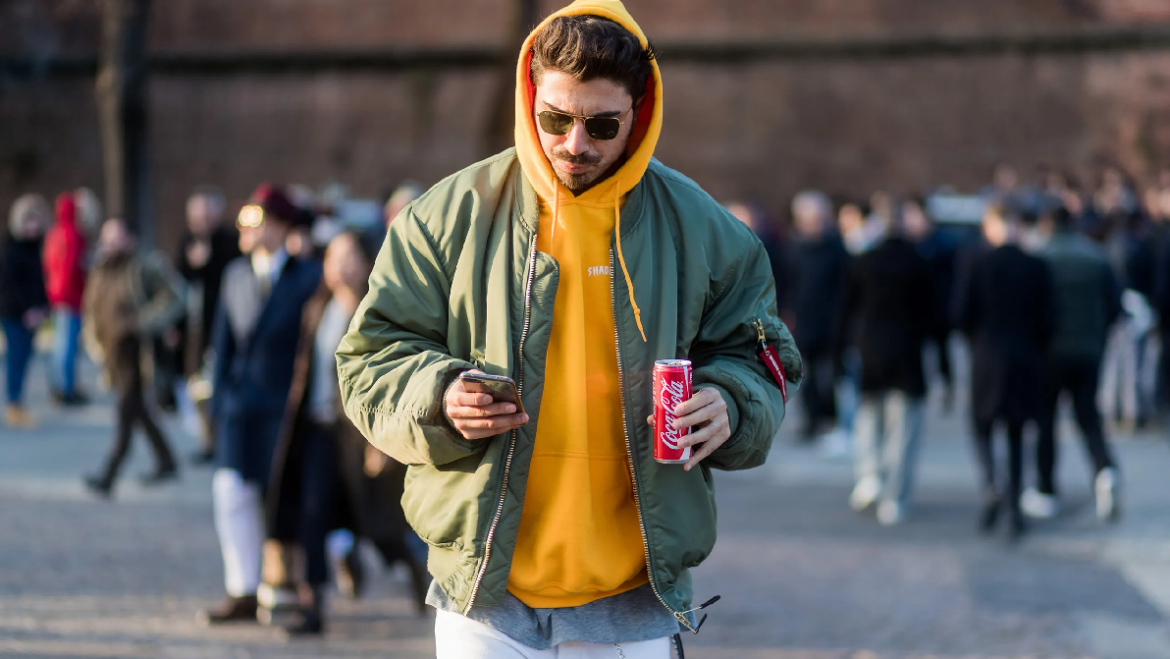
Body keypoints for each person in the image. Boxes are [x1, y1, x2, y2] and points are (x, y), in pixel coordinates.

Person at [336, 3, 801, 657]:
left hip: (635, 595)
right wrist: (438, 395)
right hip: (485, 589)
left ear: (639, 113)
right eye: (555, 119)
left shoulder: (706, 229)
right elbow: (368, 358)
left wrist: (732, 400)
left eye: (600, 124)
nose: (574, 143)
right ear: (531, 98)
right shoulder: (445, 215)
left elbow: (763, 353)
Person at [264, 231, 429, 636]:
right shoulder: (317, 307)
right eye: (333, 257)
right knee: (313, 515)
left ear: (366, 262)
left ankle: (410, 566)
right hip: (318, 432)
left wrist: (383, 440)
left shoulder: (377, 312)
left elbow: (389, 377)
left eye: (350, 256)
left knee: (375, 523)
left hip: (360, 434)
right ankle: (312, 604)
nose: (341, 265)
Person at [197, 184, 321, 626]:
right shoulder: (234, 275)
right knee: (230, 494)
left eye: (258, 220)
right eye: (244, 220)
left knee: (282, 502)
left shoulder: (308, 277)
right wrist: (217, 404)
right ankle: (241, 589)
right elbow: (221, 344)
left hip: (284, 412)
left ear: (282, 226)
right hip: (239, 408)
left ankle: (285, 586)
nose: (247, 228)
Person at [954, 206, 1055, 540]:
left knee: (982, 426)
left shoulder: (978, 264)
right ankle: (1012, 500)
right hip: (1024, 357)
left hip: (987, 356)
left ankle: (991, 483)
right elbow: (1049, 319)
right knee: (1015, 432)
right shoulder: (1036, 266)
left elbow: (961, 314)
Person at [833, 201, 936, 525]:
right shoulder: (920, 264)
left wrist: (838, 354)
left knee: (867, 415)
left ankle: (869, 475)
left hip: (869, 349)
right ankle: (895, 495)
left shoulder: (863, 261)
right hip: (908, 353)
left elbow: (844, 311)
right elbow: (935, 319)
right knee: (903, 428)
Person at [1026, 206, 1122, 522]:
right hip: (1088, 351)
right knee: (1088, 418)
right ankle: (1104, 470)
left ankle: (1046, 489)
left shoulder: (1040, 257)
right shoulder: (1095, 257)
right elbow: (1114, 307)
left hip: (1050, 352)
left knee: (1045, 423)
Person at [82, 218, 186, 497]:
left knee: (126, 411)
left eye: (117, 238)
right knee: (138, 410)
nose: (111, 244)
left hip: (138, 354)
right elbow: (91, 307)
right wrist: (93, 340)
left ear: (131, 239)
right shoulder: (101, 269)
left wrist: (144, 322)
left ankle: (109, 473)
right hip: (112, 353)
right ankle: (166, 460)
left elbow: (176, 296)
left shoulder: (145, 266)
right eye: (107, 238)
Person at [174, 186, 240, 464]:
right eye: (195, 215)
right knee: (195, 386)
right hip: (193, 328)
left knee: (215, 385)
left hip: (218, 324)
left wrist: (207, 262)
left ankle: (217, 440)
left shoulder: (228, 241)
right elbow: (179, 281)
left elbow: (228, 276)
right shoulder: (187, 241)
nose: (199, 221)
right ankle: (205, 439)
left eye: (204, 214)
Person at [788, 189, 850, 440]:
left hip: (830, 322)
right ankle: (811, 419)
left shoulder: (836, 249)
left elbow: (844, 288)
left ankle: (831, 418)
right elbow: (787, 284)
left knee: (830, 373)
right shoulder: (794, 249)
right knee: (804, 373)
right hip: (803, 321)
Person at [1, 194, 51, 429]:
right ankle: (13, 404)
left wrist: (43, 307)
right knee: (16, 358)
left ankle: (18, 402)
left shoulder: (35, 247)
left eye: (37, 220)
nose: (34, 226)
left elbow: (39, 282)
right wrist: (26, 311)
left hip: (33, 314)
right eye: (29, 220)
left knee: (25, 358)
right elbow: (10, 285)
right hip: (15, 314)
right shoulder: (11, 248)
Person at [903, 196, 956, 409]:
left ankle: (945, 385)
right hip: (915, 308)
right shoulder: (908, 245)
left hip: (938, 306)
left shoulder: (943, 243)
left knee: (942, 348)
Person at [42, 191, 89, 405]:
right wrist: (85, 287)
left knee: (59, 342)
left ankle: (58, 384)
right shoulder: (74, 234)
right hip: (71, 294)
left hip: (55, 293)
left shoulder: (54, 233)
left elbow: (48, 264)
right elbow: (74, 267)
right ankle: (66, 388)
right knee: (68, 344)